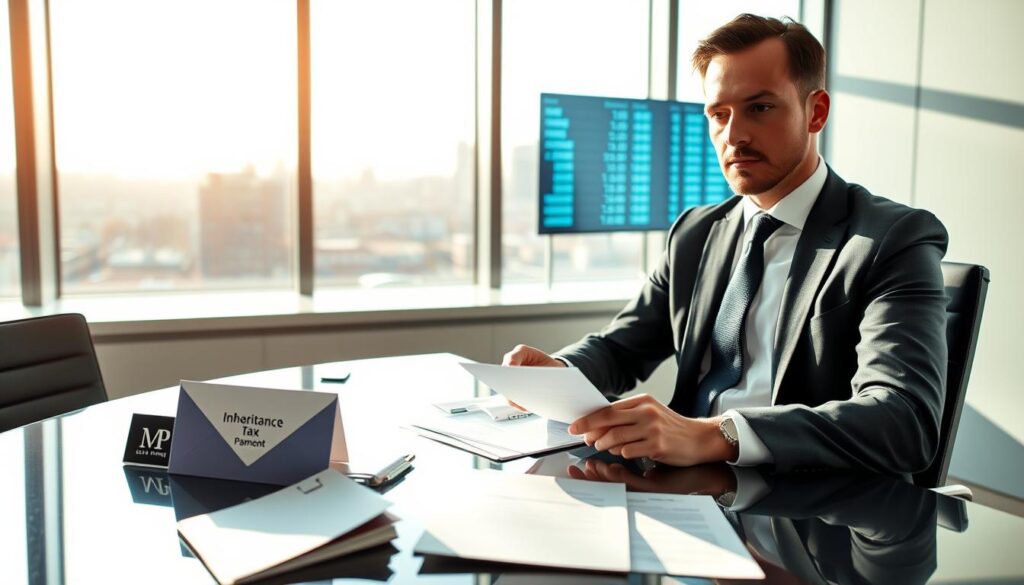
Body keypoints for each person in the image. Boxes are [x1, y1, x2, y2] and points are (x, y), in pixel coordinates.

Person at [503, 14, 948, 475]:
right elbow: (622, 348)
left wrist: (717, 435)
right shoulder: (695, 233)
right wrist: (558, 372)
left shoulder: (891, 239)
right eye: (719, 115)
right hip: (681, 487)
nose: (734, 136)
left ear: (815, 111)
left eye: (760, 108)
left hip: (803, 510)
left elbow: (904, 420)